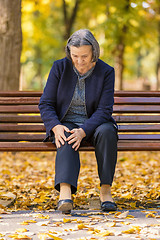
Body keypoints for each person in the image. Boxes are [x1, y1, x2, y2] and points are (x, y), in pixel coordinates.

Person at [39, 29, 118, 214]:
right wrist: (55, 126)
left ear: (94, 53)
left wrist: (83, 130)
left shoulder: (106, 72)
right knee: (65, 134)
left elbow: (105, 109)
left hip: (96, 123)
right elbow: (46, 103)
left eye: (84, 56)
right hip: (66, 122)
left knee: (107, 132)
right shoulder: (60, 67)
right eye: (75, 56)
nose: (79, 61)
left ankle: (106, 191)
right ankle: (65, 194)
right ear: (69, 52)